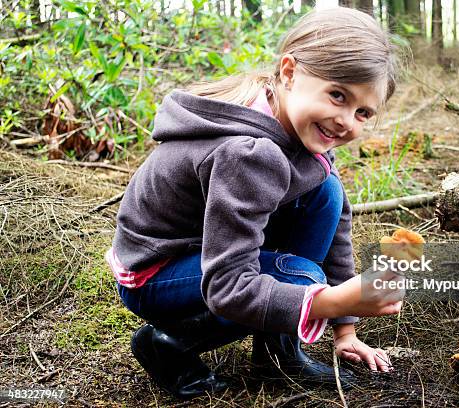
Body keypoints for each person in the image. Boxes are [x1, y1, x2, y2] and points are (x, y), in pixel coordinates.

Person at [106, 6, 404, 400]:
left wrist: (344, 329)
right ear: (290, 72)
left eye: (363, 112)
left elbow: (337, 226)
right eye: (337, 95)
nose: (346, 121)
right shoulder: (248, 153)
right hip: (157, 272)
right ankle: (169, 344)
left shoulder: (299, 128)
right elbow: (229, 285)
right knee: (301, 278)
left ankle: (279, 354)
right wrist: (328, 301)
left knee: (326, 191)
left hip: (207, 249)